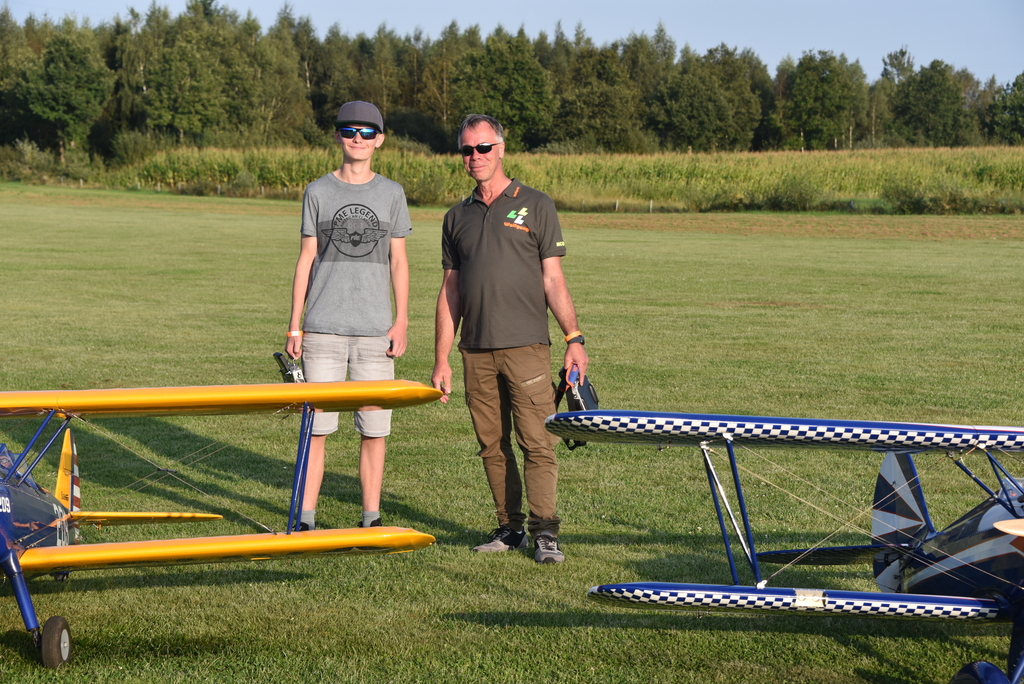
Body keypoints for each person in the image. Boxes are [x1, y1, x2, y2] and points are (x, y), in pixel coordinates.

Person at [431, 114, 589, 563]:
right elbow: (450, 291)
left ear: (500, 149)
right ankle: (509, 527)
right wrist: (441, 358)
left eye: (483, 147)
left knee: (537, 442)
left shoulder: (536, 204)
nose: (475, 156)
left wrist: (574, 337)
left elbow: (553, 279)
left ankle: (545, 533)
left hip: (526, 347)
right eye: (467, 150)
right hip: (475, 350)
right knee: (492, 445)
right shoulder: (455, 216)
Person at [286, 100, 411, 531]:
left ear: (380, 139)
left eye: (366, 132)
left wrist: (401, 320)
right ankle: (305, 519)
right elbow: (306, 259)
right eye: (348, 130)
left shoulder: (392, 193)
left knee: (374, 431)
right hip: (322, 330)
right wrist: (295, 325)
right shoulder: (317, 191)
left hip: (376, 333)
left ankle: (371, 518)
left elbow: (399, 261)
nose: (357, 138)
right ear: (337, 135)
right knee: (316, 430)